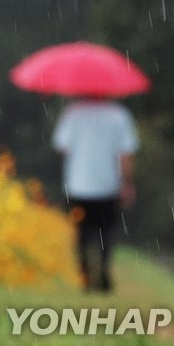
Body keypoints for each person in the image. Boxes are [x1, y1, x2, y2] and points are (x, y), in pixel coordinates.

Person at [52, 97, 139, 292]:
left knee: (81, 233)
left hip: (78, 184)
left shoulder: (72, 113)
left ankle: (85, 276)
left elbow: (62, 147)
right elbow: (125, 155)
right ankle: (104, 272)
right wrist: (127, 183)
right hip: (108, 185)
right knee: (105, 233)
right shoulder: (119, 115)